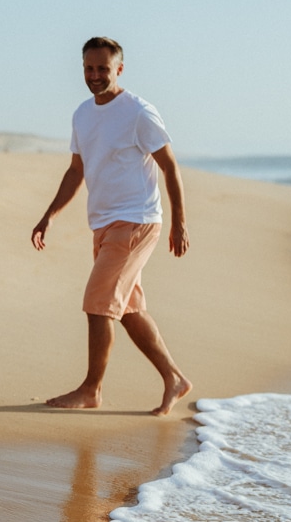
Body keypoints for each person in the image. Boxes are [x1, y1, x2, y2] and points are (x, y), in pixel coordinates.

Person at [31, 37, 193, 417]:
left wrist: (179, 222)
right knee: (128, 309)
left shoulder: (138, 112)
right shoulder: (83, 115)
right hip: (103, 223)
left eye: (103, 69)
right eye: (89, 68)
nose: (95, 76)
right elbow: (76, 171)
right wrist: (49, 214)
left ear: (119, 69)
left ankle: (91, 389)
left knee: (98, 305)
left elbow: (170, 166)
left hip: (136, 220)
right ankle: (174, 378)